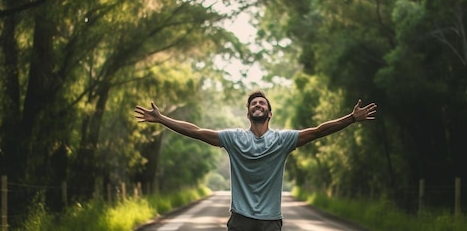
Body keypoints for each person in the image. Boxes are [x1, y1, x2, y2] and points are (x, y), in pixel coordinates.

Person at [134, 90, 377, 231]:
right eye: (254, 103)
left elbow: (317, 131)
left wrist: (351, 119)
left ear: (269, 113)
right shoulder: (233, 138)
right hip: (240, 219)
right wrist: (163, 119)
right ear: (249, 113)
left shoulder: (283, 140)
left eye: (262, 103)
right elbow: (196, 131)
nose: (258, 105)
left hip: (271, 221)